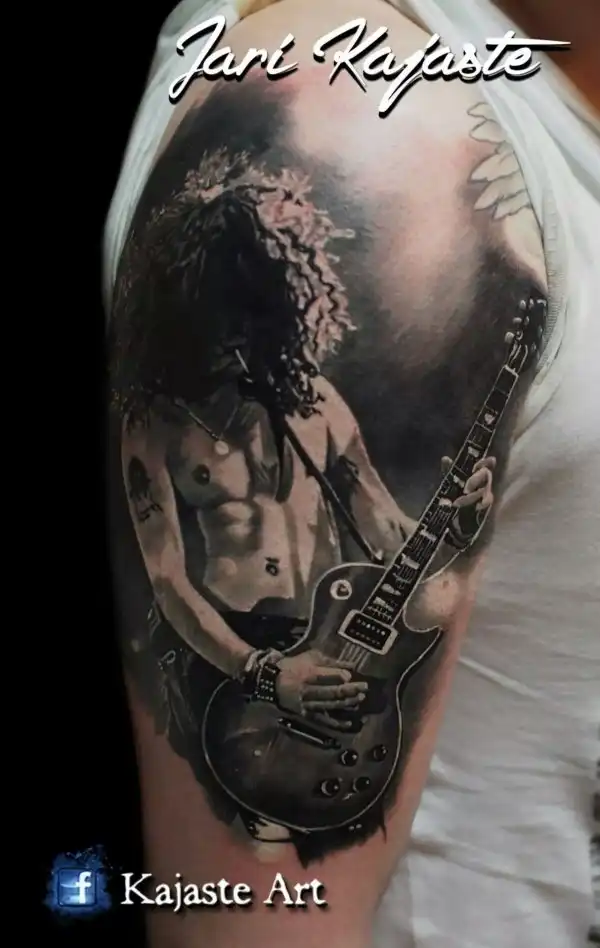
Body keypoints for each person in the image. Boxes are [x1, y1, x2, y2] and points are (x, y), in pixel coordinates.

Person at [104, 1, 598, 946]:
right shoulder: (366, 111)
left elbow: (390, 541)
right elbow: (170, 580)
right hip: (248, 690)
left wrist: (453, 528)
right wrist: (266, 673)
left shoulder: (317, 406)